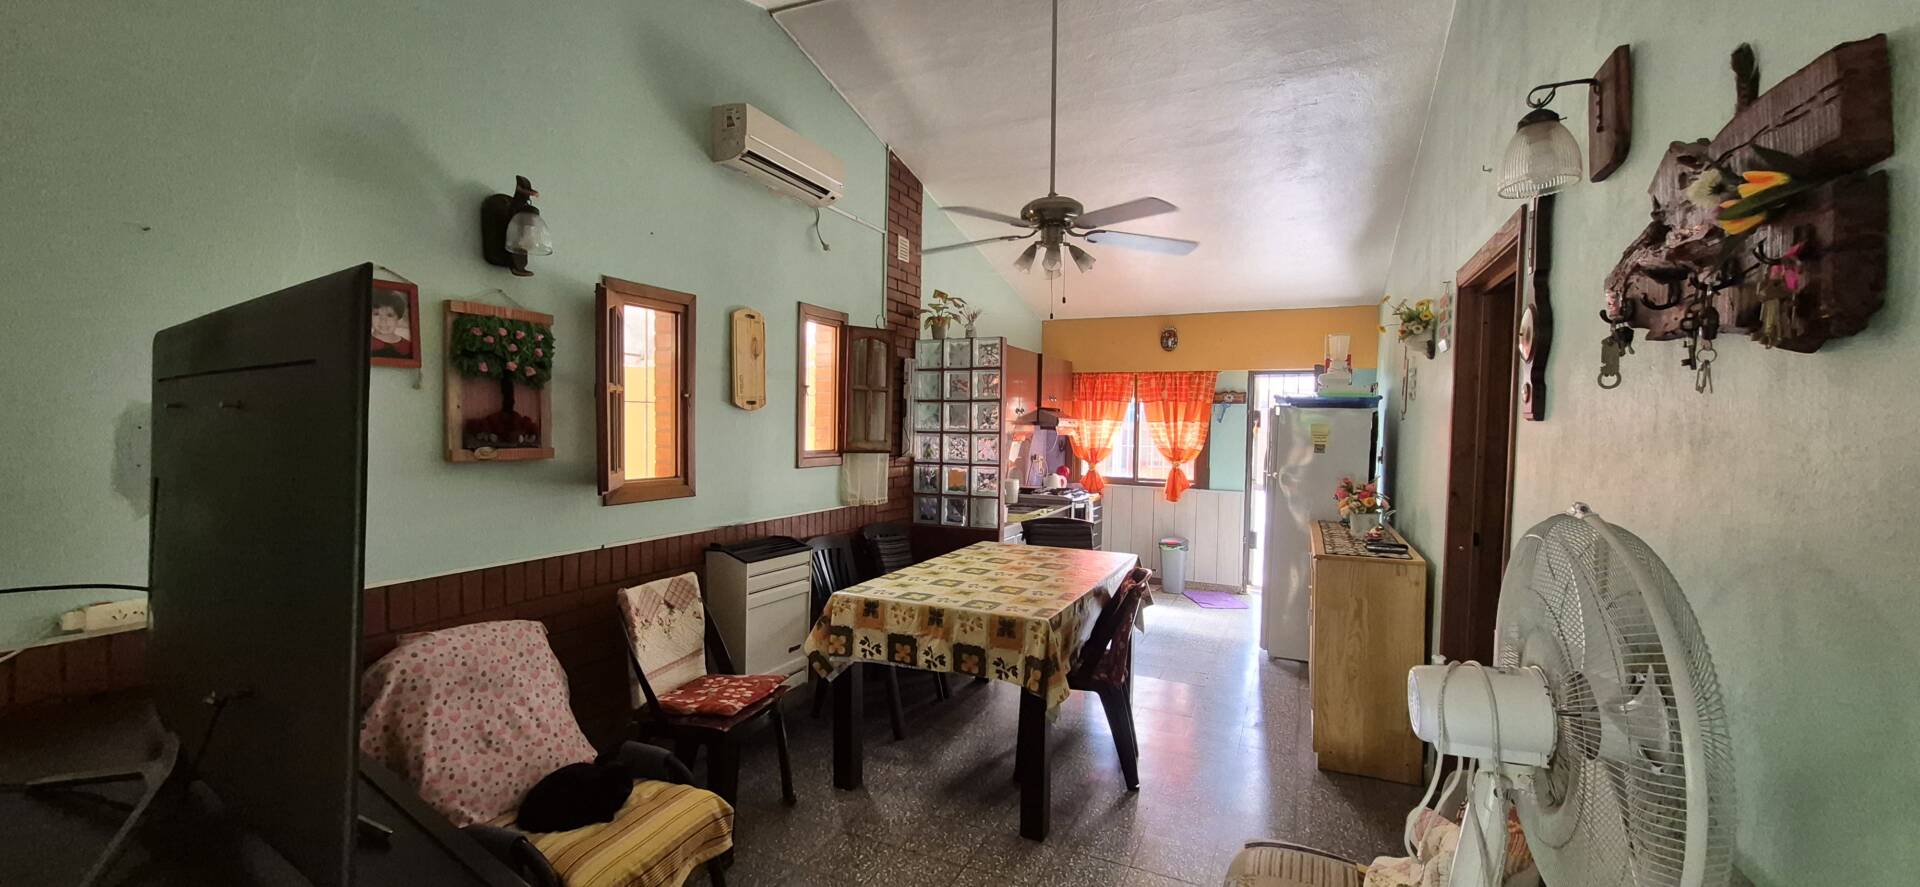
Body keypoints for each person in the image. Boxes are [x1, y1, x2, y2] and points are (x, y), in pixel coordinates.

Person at [370, 290, 413, 360]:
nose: (383, 320)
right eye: (376, 314)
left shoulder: (408, 347)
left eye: (390, 315)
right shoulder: (363, 345)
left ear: (399, 320)